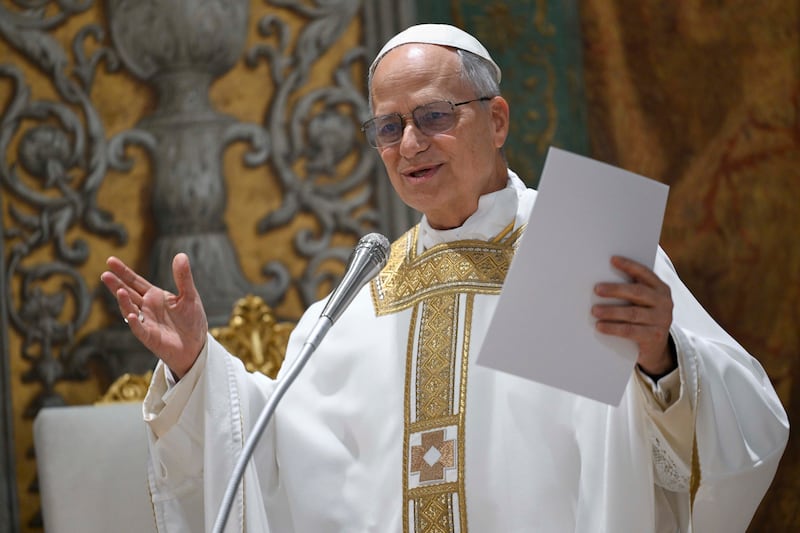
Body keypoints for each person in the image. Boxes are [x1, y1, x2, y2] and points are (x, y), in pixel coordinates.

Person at [101, 24, 788, 533]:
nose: (410, 145)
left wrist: (661, 358)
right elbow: (273, 456)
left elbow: (746, 420)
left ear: (495, 118)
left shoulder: (585, 248)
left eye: (433, 116)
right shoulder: (359, 297)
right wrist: (196, 365)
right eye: (389, 127)